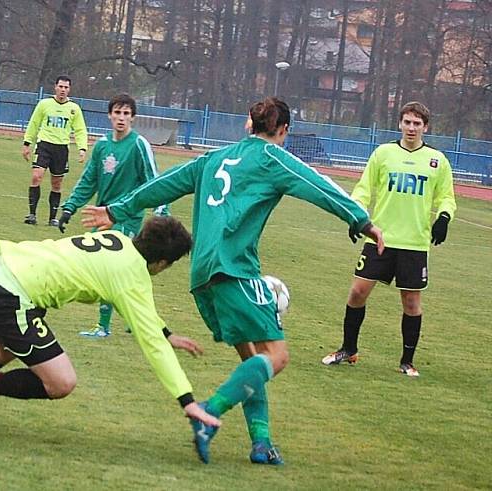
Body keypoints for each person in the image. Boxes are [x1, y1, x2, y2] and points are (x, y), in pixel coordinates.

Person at [81, 97, 383, 465]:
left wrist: (116, 209)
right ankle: (209, 412)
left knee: (251, 361)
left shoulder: (211, 158)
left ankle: (262, 443)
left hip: (202, 276)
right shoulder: (273, 158)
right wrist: (360, 220)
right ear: (283, 131)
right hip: (236, 270)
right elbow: (317, 185)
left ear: (247, 124)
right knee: (278, 356)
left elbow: (164, 184)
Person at [0, 215, 221, 436]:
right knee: (61, 382)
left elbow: (143, 316)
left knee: (6, 349)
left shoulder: (119, 239)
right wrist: (188, 401)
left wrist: (166, 333)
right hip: (11, 294)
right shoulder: (131, 275)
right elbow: (151, 344)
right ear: (161, 262)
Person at [321, 101, 457, 377]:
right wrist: (354, 216)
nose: (411, 127)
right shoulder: (383, 154)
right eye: (407, 122)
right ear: (399, 124)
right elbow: (364, 189)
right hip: (379, 238)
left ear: (425, 127)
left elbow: (446, 197)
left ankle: (407, 361)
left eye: (417, 123)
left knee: (411, 303)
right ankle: (349, 349)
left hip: (414, 244)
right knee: (357, 292)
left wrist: (443, 217)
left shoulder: (437, 160)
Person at [57, 93, 167, 338]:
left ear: (133, 118)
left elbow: (154, 180)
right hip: (103, 216)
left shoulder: (139, 145)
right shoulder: (103, 145)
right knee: (130, 271)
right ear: (109, 115)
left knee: (110, 268)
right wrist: (69, 207)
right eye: (117, 112)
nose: (121, 118)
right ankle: (140, 316)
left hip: (127, 218)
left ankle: (103, 327)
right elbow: (89, 180)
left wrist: (162, 211)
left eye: (126, 113)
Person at [21, 75, 88, 226]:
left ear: (69, 89)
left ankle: (52, 218)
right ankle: (32, 215)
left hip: (61, 149)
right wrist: (27, 143)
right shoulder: (44, 104)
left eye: (66, 87)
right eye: (61, 86)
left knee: (56, 184)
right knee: (36, 177)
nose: (63, 90)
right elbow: (34, 123)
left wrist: (82, 148)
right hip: (44, 145)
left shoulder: (74, 109)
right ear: (55, 87)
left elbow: (80, 130)